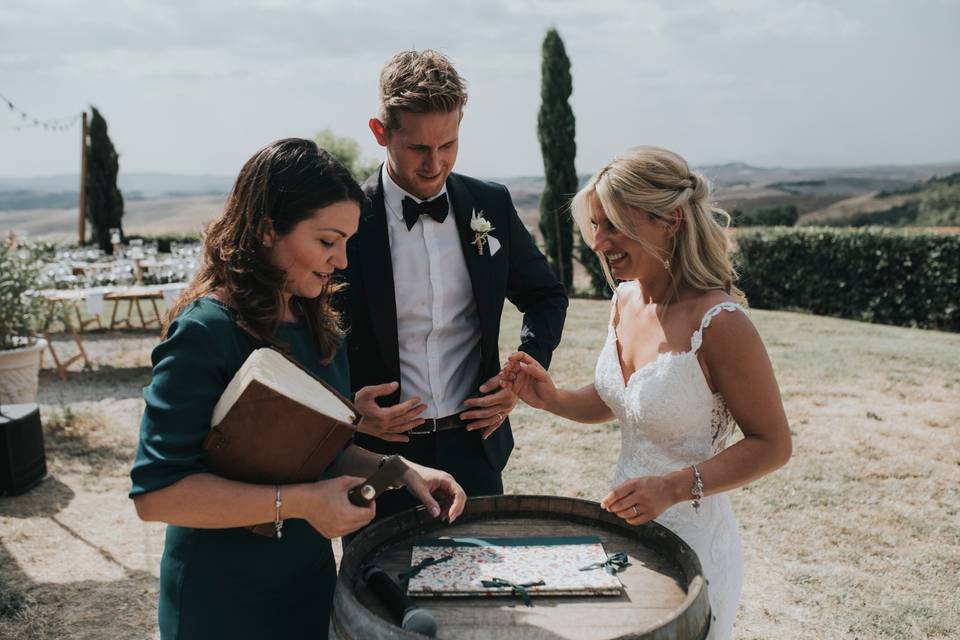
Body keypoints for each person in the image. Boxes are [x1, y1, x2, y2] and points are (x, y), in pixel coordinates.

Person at [129, 138, 466, 640]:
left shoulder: (318, 322)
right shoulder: (205, 331)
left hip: (307, 586)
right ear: (267, 229)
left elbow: (314, 448)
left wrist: (399, 470)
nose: (342, 260)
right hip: (220, 600)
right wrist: (303, 503)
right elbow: (157, 495)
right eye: (327, 242)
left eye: (347, 242)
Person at [500, 146, 792, 640]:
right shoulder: (625, 298)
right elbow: (624, 401)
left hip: (694, 544)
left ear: (670, 220)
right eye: (595, 225)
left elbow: (773, 444)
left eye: (612, 224)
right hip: (623, 533)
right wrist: (553, 399)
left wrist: (673, 487)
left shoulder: (720, 323)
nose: (599, 242)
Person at [342, 50, 568, 520]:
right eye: (419, 148)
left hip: (475, 447)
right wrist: (348, 411)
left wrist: (522, 374)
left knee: (484, 584)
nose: (435, 163)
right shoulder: (346, 217)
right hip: (381, 455)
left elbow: (545, 296)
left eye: (448, 145)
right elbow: (310, 334)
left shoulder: (490, 203)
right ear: (380, 133)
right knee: (380, 588)